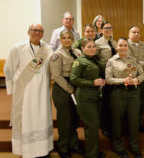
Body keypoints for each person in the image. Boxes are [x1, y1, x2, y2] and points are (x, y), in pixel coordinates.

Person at [4, 24, 53, 158]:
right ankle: (27, 150)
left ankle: (43, 149)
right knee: (27, 118)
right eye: (34, 30)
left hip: (42, 91)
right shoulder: (17, 48)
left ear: (43, 33)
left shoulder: (47, 49)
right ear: (28, 32)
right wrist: (11, 88)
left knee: (42, 116)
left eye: (40, 31)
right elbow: (8, 68)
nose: (37, 33)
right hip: (25, 90)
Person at [106, 38, 144, 158]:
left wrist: (136, 80)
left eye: (125, 45)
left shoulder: (133, 60)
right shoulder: (111, 61)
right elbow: (108, 79)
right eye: (120, 45)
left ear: (128, 47)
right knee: (117, 121)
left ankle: (134, 146)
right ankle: (118, 146)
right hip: (118, 93)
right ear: (116, 47)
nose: (123, 47)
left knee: (134, 121)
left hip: (133, 93)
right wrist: (122, 80)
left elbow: (142, 74)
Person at [70, 38, 106, 158]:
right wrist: (92, 83)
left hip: (96, 96)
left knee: (94, 126)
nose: (92, 49)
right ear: (82, 49)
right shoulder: (79, 61)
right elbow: (73, 79)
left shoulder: (96, 60)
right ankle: (91, 154)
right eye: (88, 47)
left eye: (93, 46)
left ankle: (93, 151)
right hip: (85, 97)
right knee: (92, 126)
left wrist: (102, 81)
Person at [50, 30, 83, 158]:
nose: (67, 40)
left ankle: (74, 144)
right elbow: (57, 76)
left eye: (69, 37)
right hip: (63, 88)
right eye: (64, 38)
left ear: (73, 39)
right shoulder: (57, 55)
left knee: (74, 118)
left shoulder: (77, 52)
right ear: (60, 40)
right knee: (65, 120)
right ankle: (63, 147)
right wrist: (70, 89)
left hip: (75, 86)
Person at [127, 26, 144, 133]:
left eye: (138, 32)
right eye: (134, 32)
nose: (136, 34)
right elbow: (131, 62)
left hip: (141, 77)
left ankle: (139, 125)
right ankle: (130, 128)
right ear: (129, 34)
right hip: (130, 78)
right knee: (131, 105)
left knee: (141, 103)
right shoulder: (125, 44)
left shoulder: (142, 44)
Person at [95, 21, 117, 137]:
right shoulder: (98, 43)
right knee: (105, 102)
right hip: (103, 75)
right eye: (106, 28)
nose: (108, 30)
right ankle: (105, 126)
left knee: (113, 101)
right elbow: (95, 59)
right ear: (102, 30)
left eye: (110, 27)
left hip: (115, 76)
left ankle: (113, 125)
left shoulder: (115, 42)